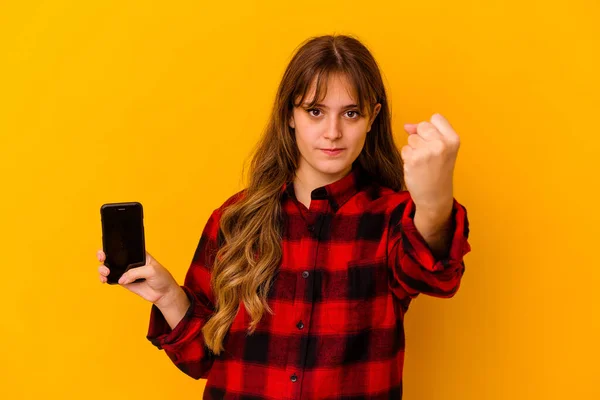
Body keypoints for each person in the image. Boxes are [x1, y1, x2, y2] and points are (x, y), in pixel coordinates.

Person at [96, 34, 471, 399]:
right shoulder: (235, 219)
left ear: (372, 118)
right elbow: (201, 358)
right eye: (315, 111)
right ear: (290, 115)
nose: (333, 132)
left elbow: (436, 274)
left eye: (351, 113)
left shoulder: (391, 219)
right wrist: (166, 294)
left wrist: (434, 197)